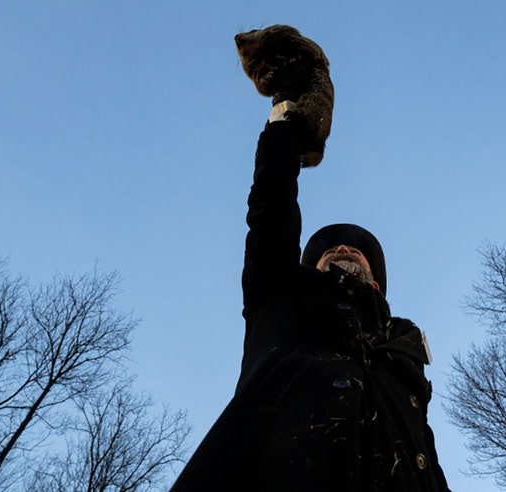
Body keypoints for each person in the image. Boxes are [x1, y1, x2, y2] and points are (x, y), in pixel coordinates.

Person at [171, 104, 451, 491]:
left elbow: (428, 460)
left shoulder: (404, 356)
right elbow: (271, 213)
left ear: (377, 282)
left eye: (357, 250)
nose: (344, 248)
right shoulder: (282, 297)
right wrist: (284, 126)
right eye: (329, 250)